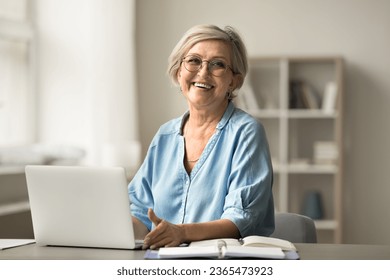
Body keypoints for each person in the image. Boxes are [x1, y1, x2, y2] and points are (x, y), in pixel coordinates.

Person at [128, 24, 274, 250]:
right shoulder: (164, 136)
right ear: (179, 71)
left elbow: (240, 219)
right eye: (194, 61)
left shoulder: (246, 132)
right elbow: (139, 213)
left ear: (233, 81)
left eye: (217, 64)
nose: (203, 72)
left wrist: (182, 232)